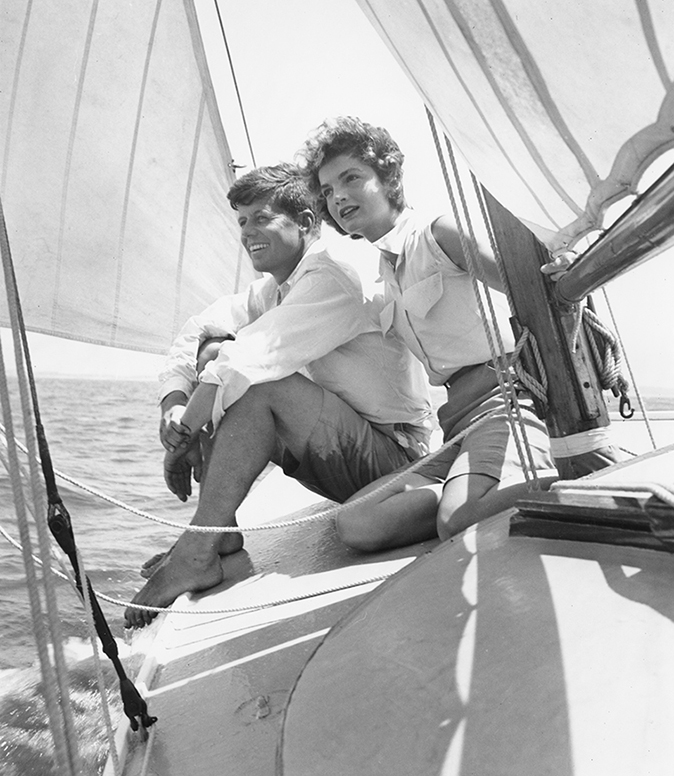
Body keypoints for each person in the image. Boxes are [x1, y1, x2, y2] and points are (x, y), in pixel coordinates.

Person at [124, 162, 432, 628]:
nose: (247, 232)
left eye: (261, 218)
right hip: (345, 457)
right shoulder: (273, 290)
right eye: (242, 221)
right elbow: (197, 332)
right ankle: (218, 534)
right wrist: (173, 403)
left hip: (395, 462)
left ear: (305, 222)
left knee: (258, 382)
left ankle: (197, 551)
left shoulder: (332, 277)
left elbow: (249, 359)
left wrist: (183, 435)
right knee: (212, 350)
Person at [298, 116, 557, 551]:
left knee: (458, 522)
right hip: (456, 419)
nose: (337, 196)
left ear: (389, 179)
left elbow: (533, 283)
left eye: (351, 178)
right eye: (327, 191)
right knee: (357, 523)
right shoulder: (384, 272)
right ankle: (466, 493)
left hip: (506, 401)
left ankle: (567, 472)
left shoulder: (438, 234)